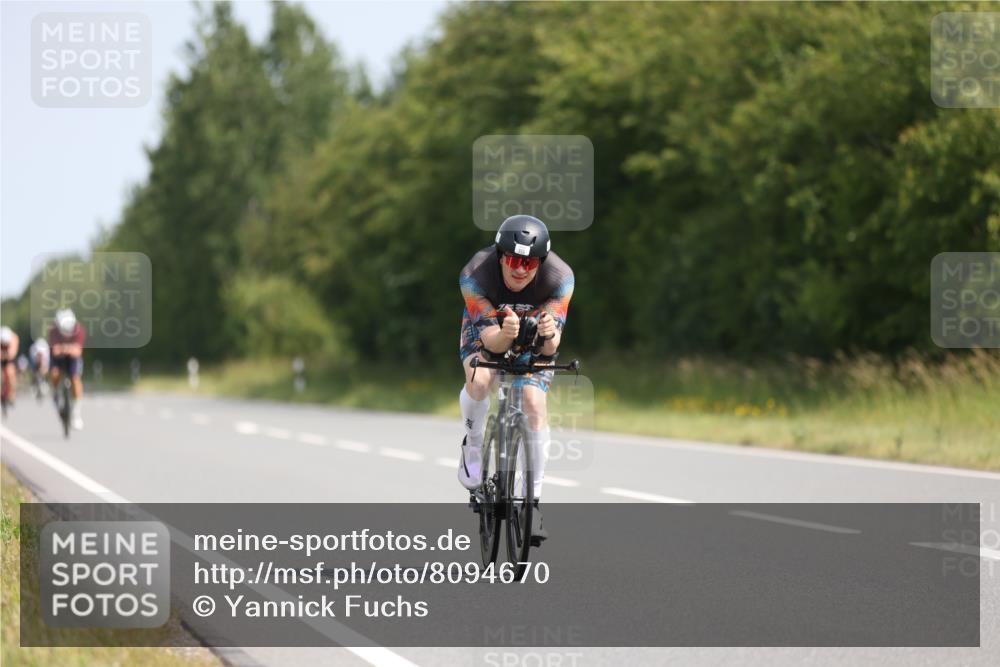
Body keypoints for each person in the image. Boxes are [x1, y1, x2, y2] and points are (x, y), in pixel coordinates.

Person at [456, 214, 574, 542]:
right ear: (500, 256)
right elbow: (492, 343)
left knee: (534, 405)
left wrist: (549, 333)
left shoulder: (560, 277)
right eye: (513, 260)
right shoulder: (475, 274)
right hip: (489, 331)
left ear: (542, 263)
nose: (521, 269)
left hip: (533, 335)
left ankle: (532, 503)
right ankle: (474, 447)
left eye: (530, 263)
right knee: (480, 382)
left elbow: (551, 346)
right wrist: (506, 335)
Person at [48, 309, 86, 429]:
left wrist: (63, 348)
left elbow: (77, 352)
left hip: (72, 358)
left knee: (75, 379)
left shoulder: (80, 330)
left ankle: (76, 413)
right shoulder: (53, 331)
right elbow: (55, 351)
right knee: (55, 374)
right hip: (58, 359)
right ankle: (55, 392)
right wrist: (68, 348)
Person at [1, 326, 20, 407]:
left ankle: (11, 393)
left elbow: (12, 354)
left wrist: (5, 355)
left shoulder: (14, 338)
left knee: (10, 372)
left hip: (9, 359)